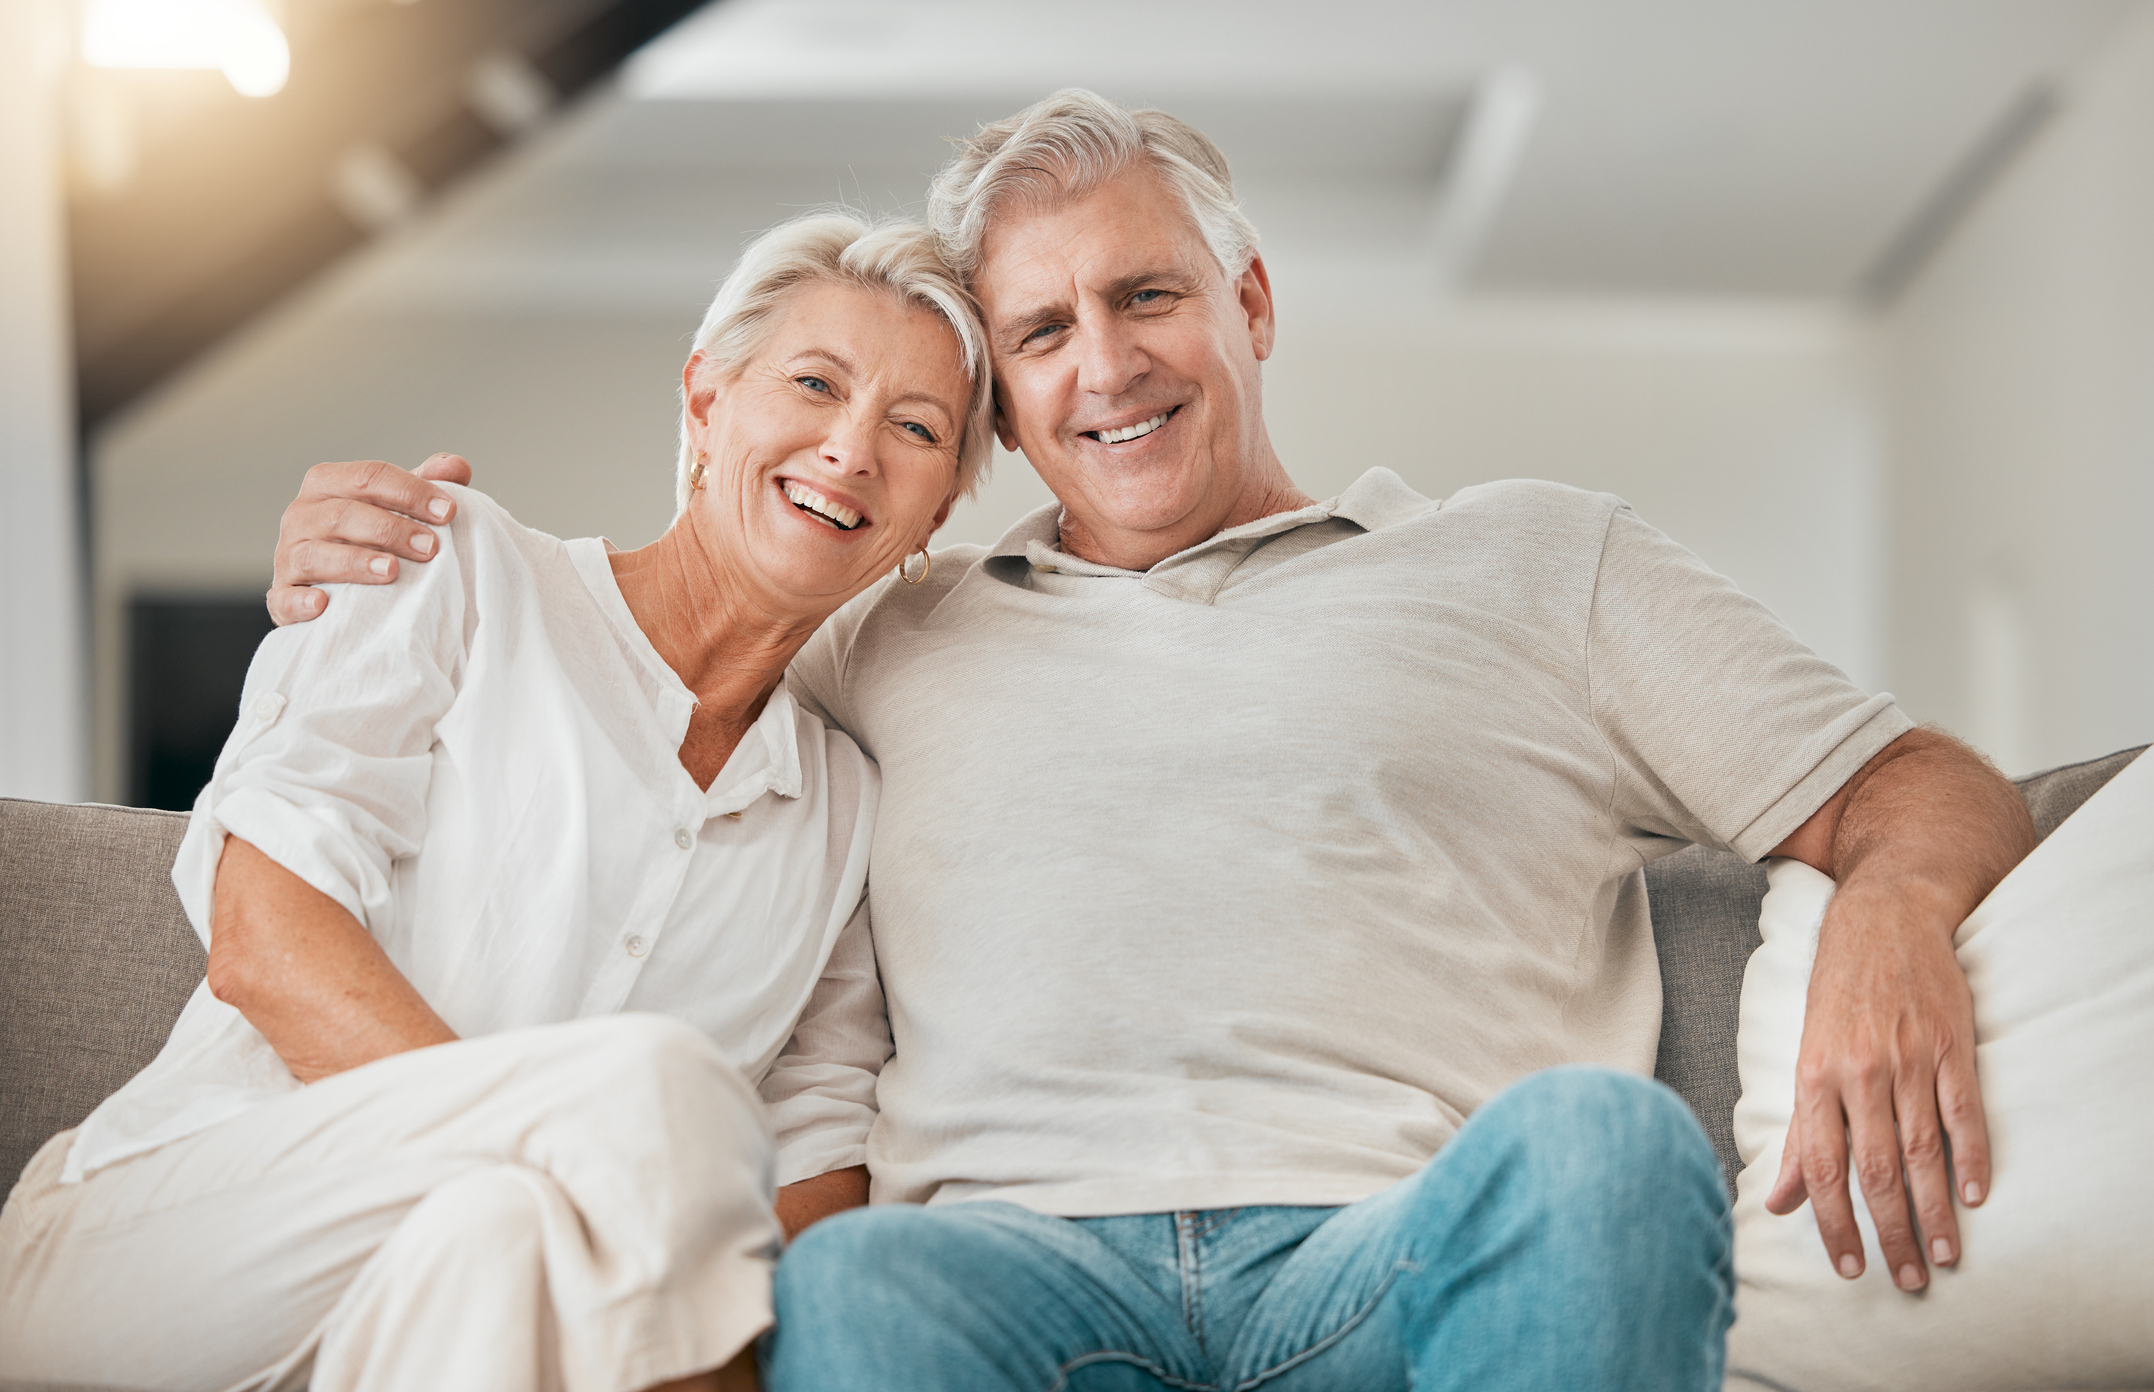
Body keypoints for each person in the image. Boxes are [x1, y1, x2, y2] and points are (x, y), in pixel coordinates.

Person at [260, 91, 2036, 1390]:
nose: (1102, 363)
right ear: (1003, 422)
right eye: (1038, 333)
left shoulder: (1531, 559)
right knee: (859, 1282)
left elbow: (1916, 784)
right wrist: (382, 572)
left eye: (1146, 296)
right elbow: (642, 654)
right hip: (1006, 1280)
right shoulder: (885, 631)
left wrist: (1886, 907)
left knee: (1604, 1149)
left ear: (1248, 308)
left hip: (1391, 1250)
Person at [0, 213, 993, 1392]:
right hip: (168, 1247)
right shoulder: (450, 562)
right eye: (814, 383)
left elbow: (820, 1164)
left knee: (503, 1232)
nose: (851, 448)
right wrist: (574, 1158)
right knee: (657, 1089)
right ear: (706, 401)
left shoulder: (840, 809)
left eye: (916, 428)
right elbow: (263, 936)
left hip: (464, 1314)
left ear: (938, 515)